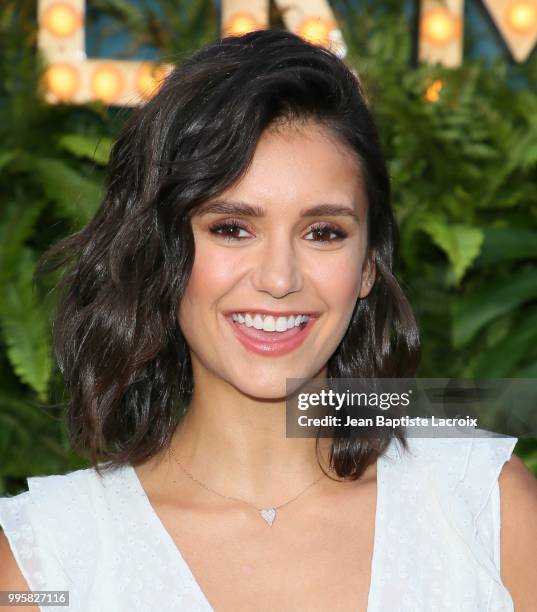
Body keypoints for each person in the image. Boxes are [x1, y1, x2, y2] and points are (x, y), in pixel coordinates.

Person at [1, 29, 536, 612]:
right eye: (232, 228)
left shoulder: (483, 507)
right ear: (163, 254)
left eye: (323, 232)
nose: (279, 279)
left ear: (366, 268)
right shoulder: (46, 564)